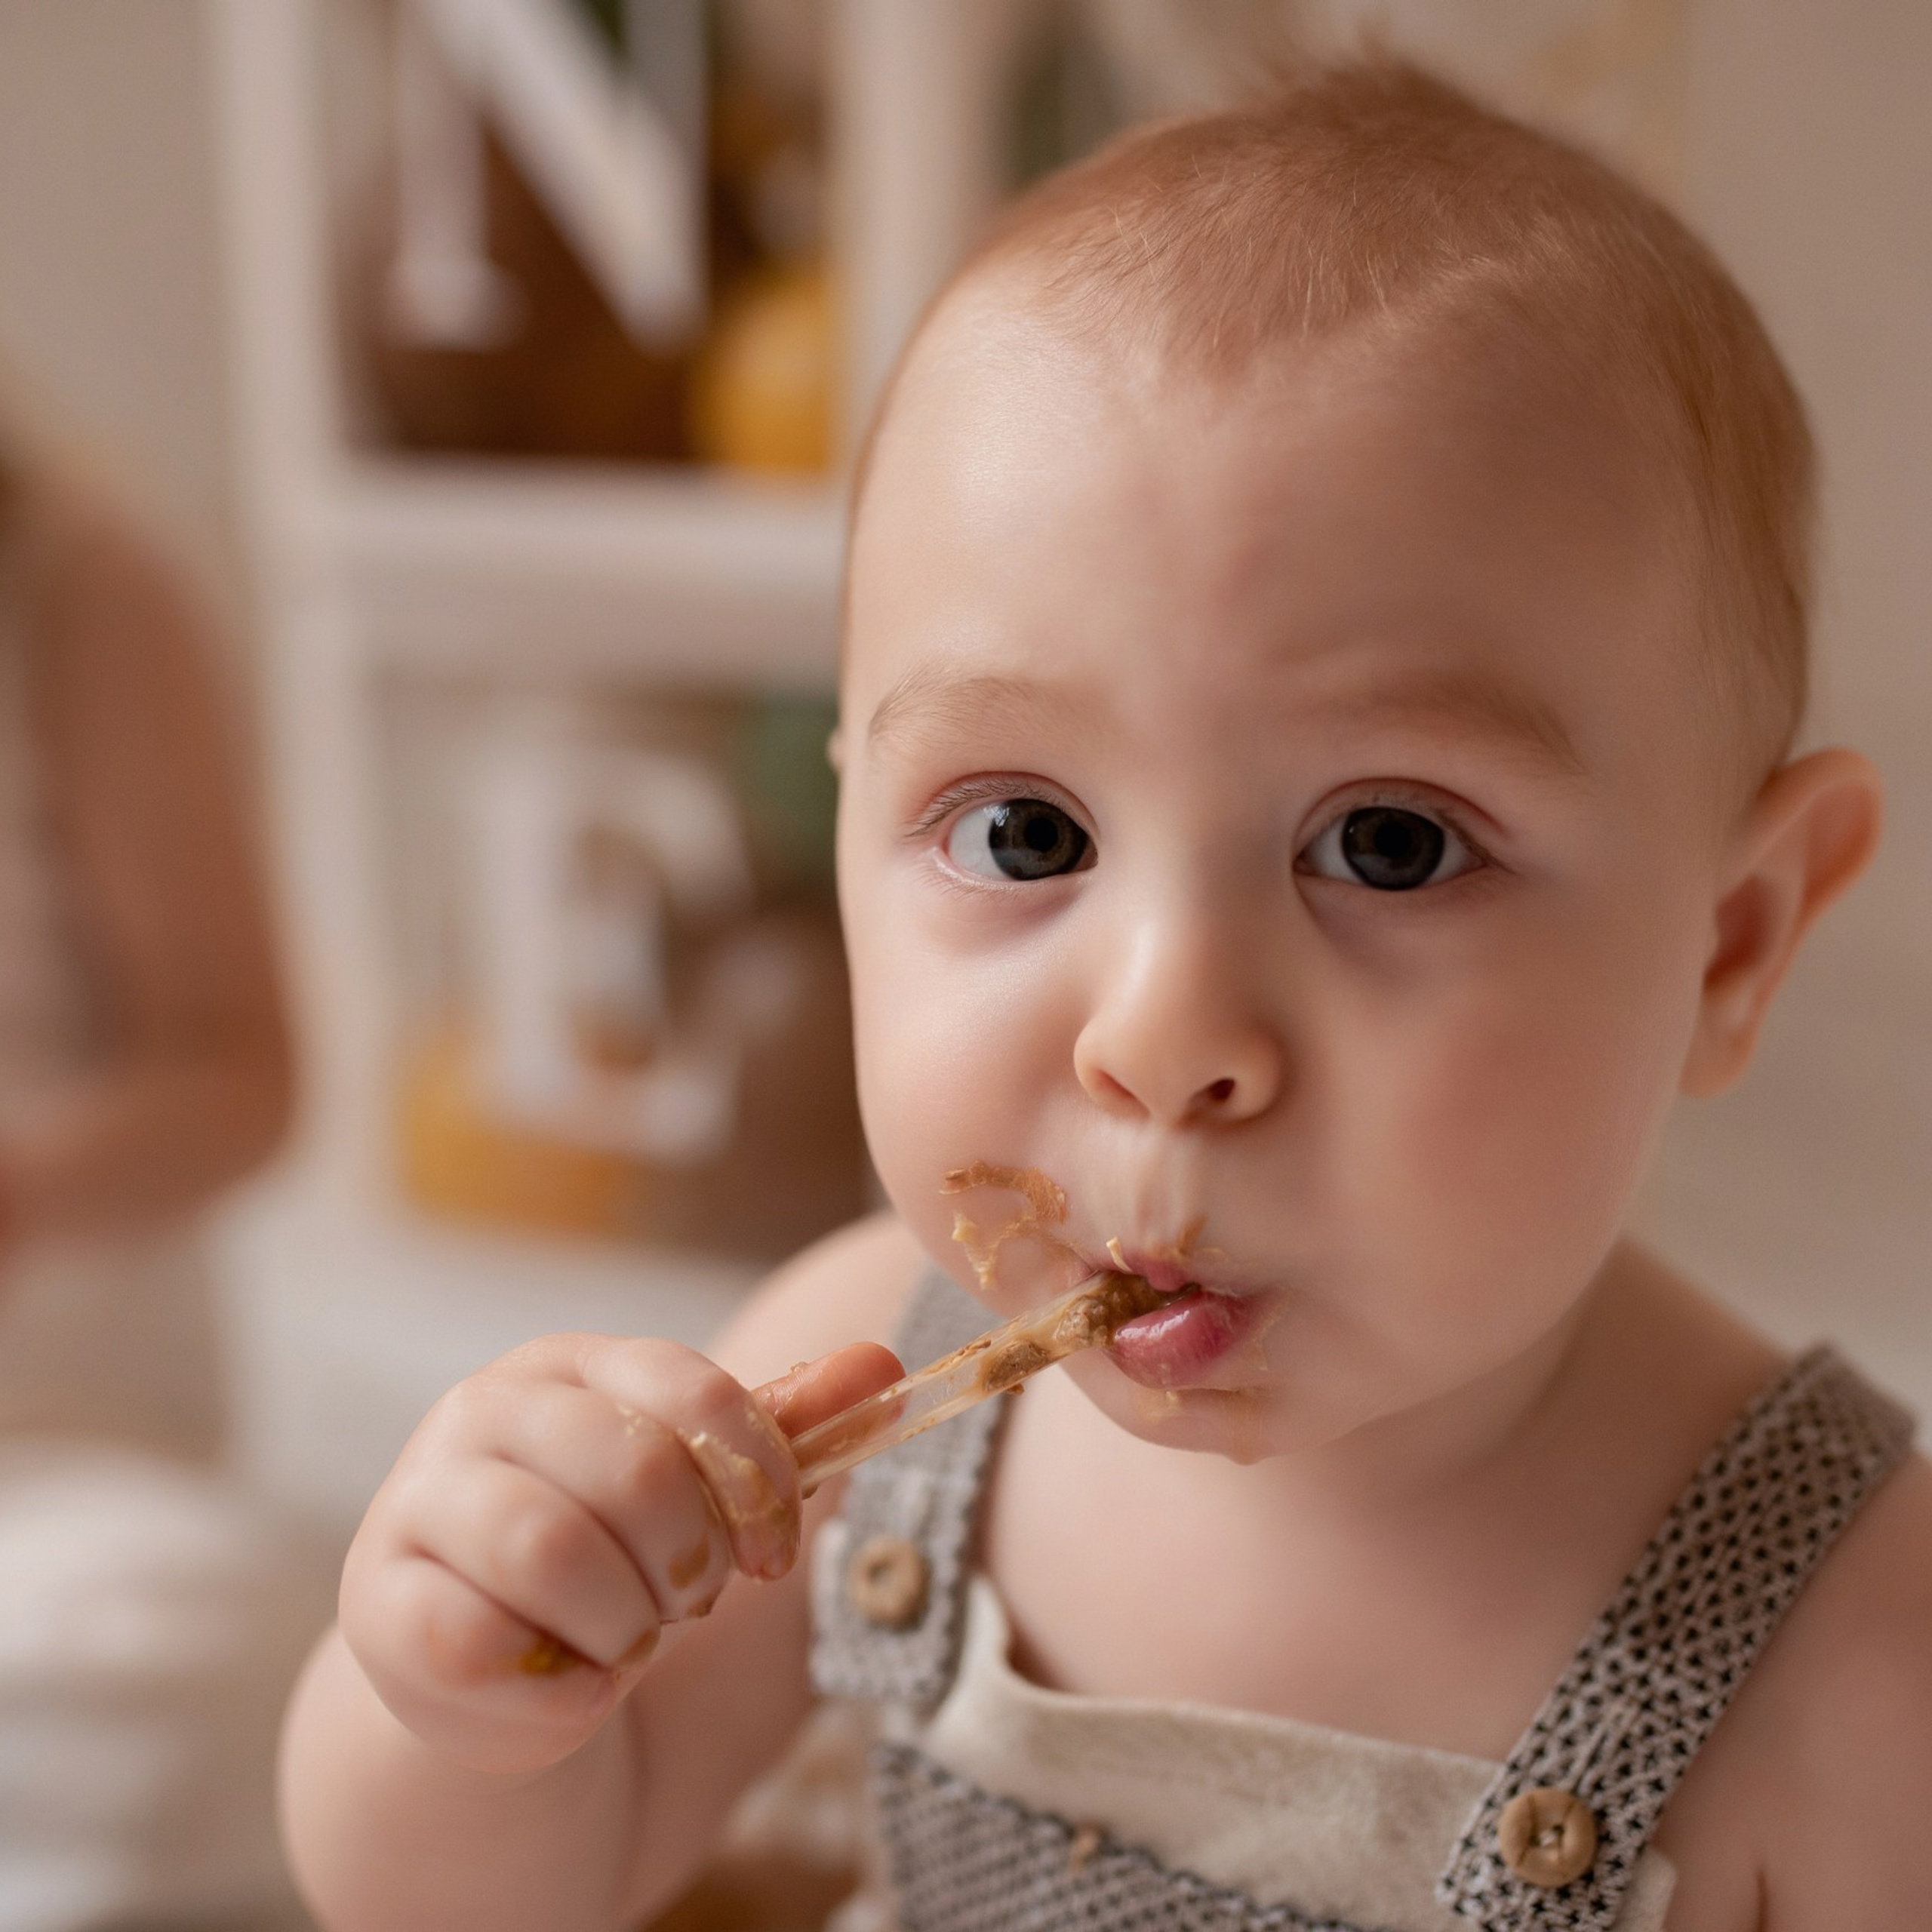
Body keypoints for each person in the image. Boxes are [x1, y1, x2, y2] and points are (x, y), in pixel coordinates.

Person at [281, 60, 1932, 1932]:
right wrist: (463, 1694)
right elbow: (483, 1897)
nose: (1156, 1038)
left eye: (1385, 843)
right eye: (1018, 831)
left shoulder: (1854, 1650)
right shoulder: (849, 1395)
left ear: (1729, 938)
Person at [0, 419, 322, 1929]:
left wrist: (21, 1183)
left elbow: (239, 1075)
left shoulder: (72, 577)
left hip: (58, 1471)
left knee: (199, 1661)